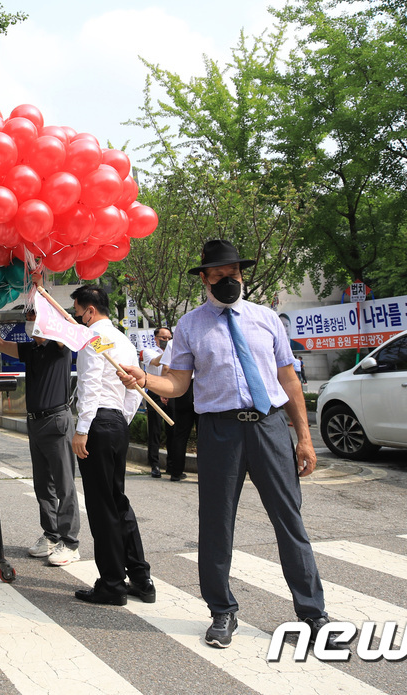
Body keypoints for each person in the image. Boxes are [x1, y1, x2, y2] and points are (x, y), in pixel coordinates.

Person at [115, 239, 340, 650]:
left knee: (290, 522)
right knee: (216, 525)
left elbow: (288, 380)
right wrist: (145, 379)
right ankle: (222, 610)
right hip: (220, 431)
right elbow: (178, 383)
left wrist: (304, 439)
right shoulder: (189, 326)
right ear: (204, 279)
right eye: (219, 276)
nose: (228, 281)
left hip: (270, 427)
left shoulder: (267, 319)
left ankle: (313, 613)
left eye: (234, 274)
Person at [0, 297, 79, 567]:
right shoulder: (30, 349)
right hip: (35, 422)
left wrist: (44, 297)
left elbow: (68, 323)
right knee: (42, 483)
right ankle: (51, 534)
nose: (30, 321)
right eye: (29, 317)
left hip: (57, 419)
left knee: (64, 484)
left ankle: (69, 542)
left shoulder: (61, 347)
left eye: (34, 316)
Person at [68, 286, 154, 607]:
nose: (78, 318)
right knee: (118, 502)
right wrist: (119, 421)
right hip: (117, 422)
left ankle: (112, 584)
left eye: (78, 312)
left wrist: (83, 429)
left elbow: (88, 387)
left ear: (90, 311)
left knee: (102, 507)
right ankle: (141, 578)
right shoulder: (124, 341)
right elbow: (134, 391)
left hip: (98, 424)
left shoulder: (93, 339)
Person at [152, 327, 195, 482]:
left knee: (180, 432)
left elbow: (166, 367)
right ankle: (205, 473)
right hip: (200, 386)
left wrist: (165, 392)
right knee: (204, 432)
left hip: (182, 386)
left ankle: (176, 471)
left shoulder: (173, 344)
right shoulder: (199, 338)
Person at [140, 327, 172, 478]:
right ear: (156, 338)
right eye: (163, 338)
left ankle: (172, 466)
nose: (166, 341)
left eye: (169, 338)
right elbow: (155, 363)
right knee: (155, 429)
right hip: (155, 391)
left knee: (173, 429)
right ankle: (154, 464)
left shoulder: (176, 351)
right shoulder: (149, 351)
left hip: (172, 391)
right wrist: (168, 351)